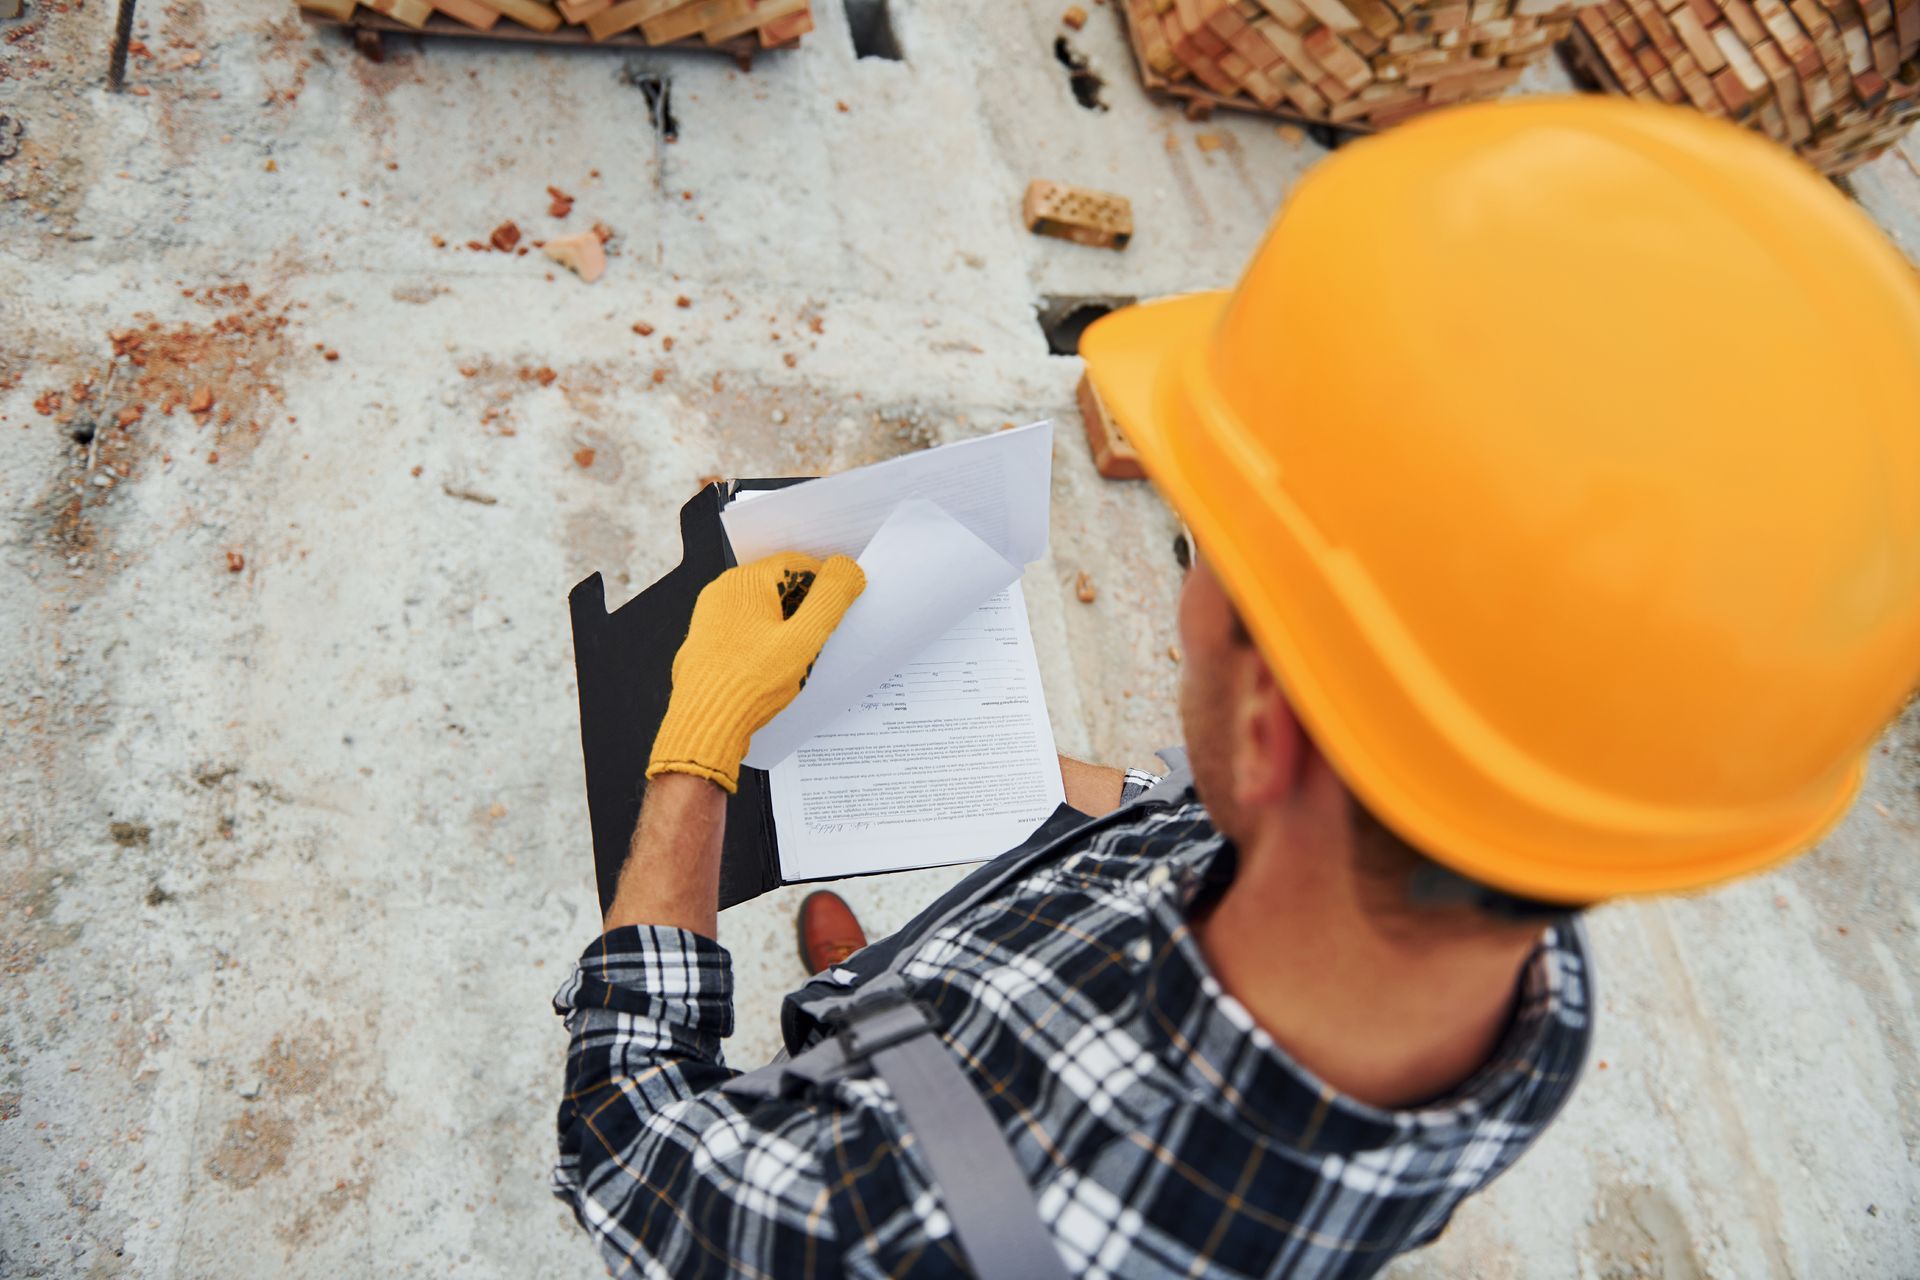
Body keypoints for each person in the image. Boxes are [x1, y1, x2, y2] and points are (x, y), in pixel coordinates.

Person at [551, 97, 1920, 1278]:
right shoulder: (1521, 961)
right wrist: (1027, 769)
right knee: (918, 1016)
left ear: (1269, 730)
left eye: (1200, 546)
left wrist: (699, 745)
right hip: (984, 1045)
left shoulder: (900, 1229)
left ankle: (879, 1058)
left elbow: (628, 1142)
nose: (1187, 591)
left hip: (917, 1152)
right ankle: (895, 1031)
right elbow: (1215, 818)